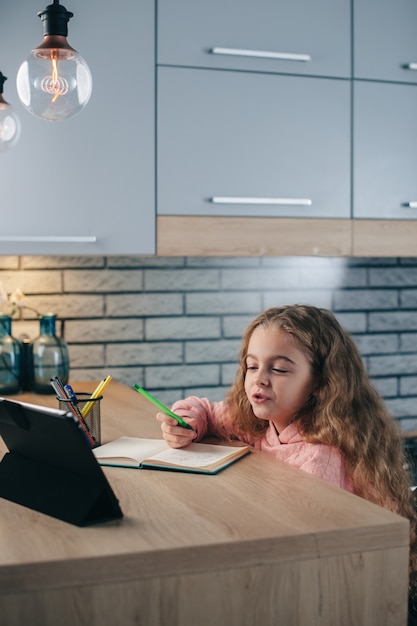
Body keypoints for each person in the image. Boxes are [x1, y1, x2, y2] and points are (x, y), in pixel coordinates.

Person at [156, 304, 417, 609]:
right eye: (252, 366)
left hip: (339, 589)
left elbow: (303, 550)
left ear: (321, 383)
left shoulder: (321, 458)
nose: (260, 379)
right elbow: (211, 411)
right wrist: (188, 421)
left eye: (278, 369)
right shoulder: (262, 421)